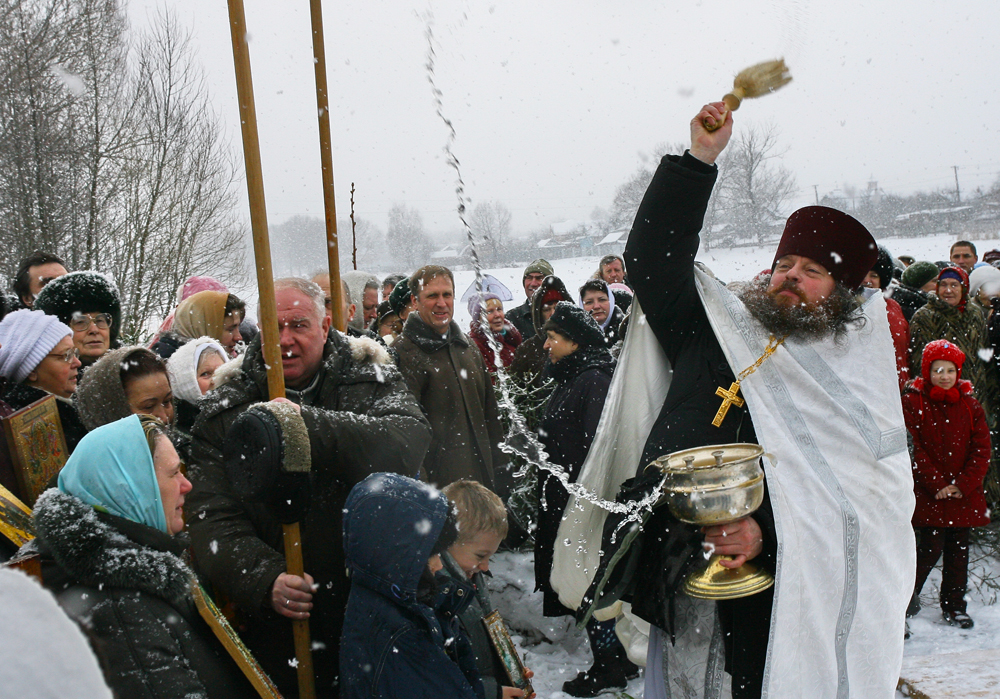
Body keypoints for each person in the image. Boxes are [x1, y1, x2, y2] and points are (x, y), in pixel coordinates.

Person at [552, 102, 914, 699]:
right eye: (785, 264)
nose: (790, 277)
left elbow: (865, 510)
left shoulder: (850, 381)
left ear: (846, 293)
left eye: (813, 271)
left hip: (790, 590)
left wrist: (764, 532)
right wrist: (698, 161)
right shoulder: (714, 328)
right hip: (683, 557)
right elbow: (652, 262)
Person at [186, 277, 431, 697]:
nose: (285, 340)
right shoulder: (226, 407)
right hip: (288, 618)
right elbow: (210, 515)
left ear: (326, 324)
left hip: (373, 598)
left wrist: (305, 427)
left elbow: (406, 443)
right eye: (273, 328)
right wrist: (263, 578)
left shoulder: (369, 375)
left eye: (299, 325)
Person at [26, 414, 256, 698]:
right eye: (173, 474)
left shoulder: (130, 570)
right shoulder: (119, 609)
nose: (187, 486)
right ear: (130, 488)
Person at [535, 302, 635, 697]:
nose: (546, 345)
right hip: (568, 494)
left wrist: (580, 494)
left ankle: (609, 664)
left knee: (586, 578)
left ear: (574, 343)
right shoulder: (575, 375)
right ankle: (616, 658)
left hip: (581, 499)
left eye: (553, 337)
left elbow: (600, 447)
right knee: (586, 577)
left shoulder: (592, 380)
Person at [340, 472, 485, 699]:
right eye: (432, 555)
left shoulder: (390, 601)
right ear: (397, 558)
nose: (438, 566)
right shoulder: (403, 637)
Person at [395, 266, 510, 495]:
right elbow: (405, 439)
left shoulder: (467, 348)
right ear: (414, 301)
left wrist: (502, 472)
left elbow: (491, 418)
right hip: (441, 490)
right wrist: (427, 497)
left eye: (447, 294)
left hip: (483, 484)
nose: (441, 303)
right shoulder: (403, 354)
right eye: (432, 296)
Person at [902, 340, 991, 630]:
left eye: (950, 370)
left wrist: (962, 484)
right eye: (937, 370)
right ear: (927, 371)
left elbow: (981, 449)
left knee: (958, 553)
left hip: (961, 495)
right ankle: (902, 603)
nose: (944, 376)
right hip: (930, 494)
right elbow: (913, 447)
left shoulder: (970, 406)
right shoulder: (914, 403)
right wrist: (936, 483)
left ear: (958, 373)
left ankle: (954, 606)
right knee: (928, 548)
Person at [909, 266, 1000, 503]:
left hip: (975, 394)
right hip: (941, 397)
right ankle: (947, 502)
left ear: (964, 288)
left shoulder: (975, 314)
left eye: (954, 285)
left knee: (978, 450)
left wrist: (989, 392)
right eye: (943, 285)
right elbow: (920, 364)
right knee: (946, 451)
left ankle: (982, 503)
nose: (948, 290)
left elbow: (984, 356)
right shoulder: (924, 316)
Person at [440, 479, 535, 699]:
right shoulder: (436, 593)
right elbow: (436, 677)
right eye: (481, 556)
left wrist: (510, 671)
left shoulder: (470, 574)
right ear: (447, 539)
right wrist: (490, 692)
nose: (485, 566)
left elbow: (489, 626)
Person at [0, 309, 87, 453]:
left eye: (75, 353)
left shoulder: (70, 414)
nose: (77, 362)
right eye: (66, 355)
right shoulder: (31, 427)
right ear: (32, 370)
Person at [33, 271, 121, 369]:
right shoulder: (47, 380)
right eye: (80, 322)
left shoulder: (134, 373)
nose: (94, 330)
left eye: (100, 321)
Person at [75, 346, 174, 430]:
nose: (164, 417)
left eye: (167, 401)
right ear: (111, 411)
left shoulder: (181, 448)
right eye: (148, 406)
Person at [508, 275, 573, 387]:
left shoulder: (583, 343)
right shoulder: (527, 351)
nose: (553, 313)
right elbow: (516, 393)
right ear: (539, 315)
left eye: (558, 308)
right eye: (547, 309)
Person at [863, 246, 910, 390]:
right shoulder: (847, 308)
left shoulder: (893, 306)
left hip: (899, 386)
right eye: (863, 273)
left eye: (874, 275)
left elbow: (906, 347)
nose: (867, 280)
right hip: (870, 388)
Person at [154, 290, 245, 359]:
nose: (238, 337)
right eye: (230, 329)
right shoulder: (166, 366)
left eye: (238, 328)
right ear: (204, 327)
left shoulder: (208, 361)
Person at [166, 336, 227, 437]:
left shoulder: (238, 414)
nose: (215, 380)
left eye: (221, 370)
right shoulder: (181, 437)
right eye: (206, 374)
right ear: (186, 382)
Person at [468, 292, 522, 377]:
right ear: (479, 318)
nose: (497, 315)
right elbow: (492, 383)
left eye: (499, 309)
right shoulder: (476, 346)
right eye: (489, 311)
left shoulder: (508, 338)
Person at [506, 260, 554, 340]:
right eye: (529, 278)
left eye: (539, 278)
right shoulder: (513, 318)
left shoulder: (560, 314)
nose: (533, 283)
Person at [579, 279, 624, 345]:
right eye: (589, 302)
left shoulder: (627, 331)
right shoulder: (576, 337)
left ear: (611, 302)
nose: (596, 306)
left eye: (602, 300)